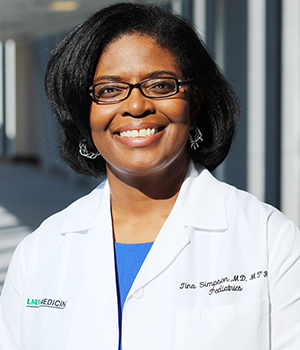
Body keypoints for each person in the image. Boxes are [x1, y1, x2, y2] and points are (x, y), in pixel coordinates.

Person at [0, 2, 299, 350]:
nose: (137, 105)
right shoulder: (39, 252)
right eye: (109, 90)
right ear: (85, 113)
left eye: (160, 86)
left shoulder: (269, 240)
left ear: (195, 101)